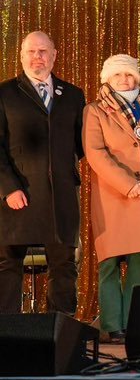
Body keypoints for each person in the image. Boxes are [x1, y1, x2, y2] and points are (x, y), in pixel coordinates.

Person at [83, 55, 140, 342]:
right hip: (113, 196)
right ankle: (112, 324)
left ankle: (135, 322)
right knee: (109, 263)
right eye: (118, 75)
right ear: (107, 78)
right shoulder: (94, 111)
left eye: (129, 75)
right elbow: (95, 153)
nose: (124, 80)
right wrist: (127, 184)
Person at [0, 31, 85, 314]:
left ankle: (59, 339)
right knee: (8, 266)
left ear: (54, 55)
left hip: (60, 197)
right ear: (22, 56)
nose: (38, 57)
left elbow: (81, 144)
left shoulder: (73, 94)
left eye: (44, 51)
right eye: (32, 52)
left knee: (63, 266)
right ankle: (7, 337)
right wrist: (8, 188)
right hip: (18, 195)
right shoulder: (4, 93)